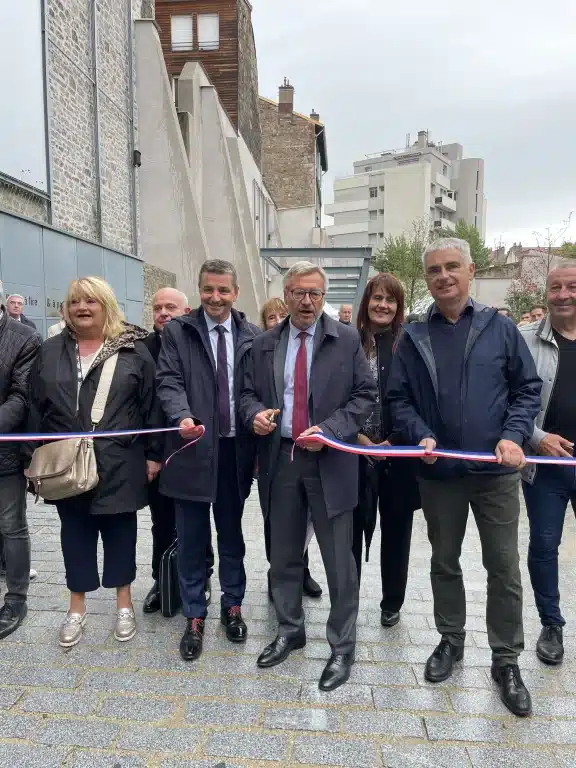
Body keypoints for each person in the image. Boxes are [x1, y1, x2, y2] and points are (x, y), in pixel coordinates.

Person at [387, 237, 542, 717]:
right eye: (434, 270)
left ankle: (506, 659)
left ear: (471, 270)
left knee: (503, 568)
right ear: (427, 278)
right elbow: (397, 400)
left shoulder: (500, 328)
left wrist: (515, 435)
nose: (444, 276)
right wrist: (420, 435)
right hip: (440, 475)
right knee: (445, 562)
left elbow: (527, 389)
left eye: (452, 266)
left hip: (495, 474)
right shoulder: (413, 337)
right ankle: (450, 641)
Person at [240, 261, 377, 692]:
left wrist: (333, 430)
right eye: (298, 292)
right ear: (285, 294)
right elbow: (244, 394)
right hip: (281, 458)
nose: (306, 301)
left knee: (339, 559)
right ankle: (289, 630)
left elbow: (365, 395)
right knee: (282, 553)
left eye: (314, 293)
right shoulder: (263, 344)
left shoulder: (347, 339)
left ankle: (341, 645)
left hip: (331, 459)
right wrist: (253, 415)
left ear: (324, 296)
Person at [27, 277, 162, 648]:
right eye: (74, 302)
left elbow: (151, 407)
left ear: (106, 305)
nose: (81, 308)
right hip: (67, 463)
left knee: (121, 532)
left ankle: (123, 604)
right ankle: (76, 608)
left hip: (120, 460)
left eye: (90, 301)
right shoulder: (51, 351)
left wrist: (153, 454)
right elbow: (35, 405)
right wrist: (33, 457)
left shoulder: (134, 351)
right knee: (75, 534)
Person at [156, 260, 259, 662]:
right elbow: (168, 380)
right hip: (192, 447)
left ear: (235, 293)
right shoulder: (179, 332)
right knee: (193, 538)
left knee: (232, 535)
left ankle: (233, 605)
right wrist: (181, 414)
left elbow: (256, 389)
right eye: (208, 290)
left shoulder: (252, 335)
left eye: (224, 290)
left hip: (235, 451)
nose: (216, 297)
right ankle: (194, 614)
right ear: (198, 290)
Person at [141, 287, 215, 613]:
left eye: (170, 306)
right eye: (157, 307)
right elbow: (145, 407)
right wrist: (151, 453)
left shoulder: (197, 344)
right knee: (162, 521)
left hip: (192, 450)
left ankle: (203, 575)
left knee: (198, 521)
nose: (163, 312)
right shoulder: (141, 349)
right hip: (158, 452)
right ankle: (161, 579)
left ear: (186, 309)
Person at [353, 273, 420, 627]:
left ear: (398, 307)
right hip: (354, 452)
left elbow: (417, 398)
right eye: (376, 298)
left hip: (398, 454)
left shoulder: (408, 344)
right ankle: (348, 598)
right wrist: (362, 441)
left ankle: (392, 601)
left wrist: (394, 440)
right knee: (351, 529)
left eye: (390, 300)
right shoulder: (350, 341)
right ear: (366, 302)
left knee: (397, 531)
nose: (382, 305)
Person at [520, 261, 576, 666]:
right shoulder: (525, 340)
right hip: (545, 465)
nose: (563, 295)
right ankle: (551, 623)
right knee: (544, 544)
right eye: (555, 287)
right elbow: (511, 401)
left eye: (571, 286)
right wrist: (538, 437)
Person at [259, 297, 322, 600]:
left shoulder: (317, 345)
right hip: (277, 448)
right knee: (280, 520)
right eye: (271, 317)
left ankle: (301, 571)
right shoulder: (263, 348)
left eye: (281, 315)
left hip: (315, 446)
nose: (277, 321)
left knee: (306, 518)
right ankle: (279, 574)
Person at [0, 291, 41, 638]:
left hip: (5, 454)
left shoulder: (24, 338)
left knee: (11, 525)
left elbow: (21, 397)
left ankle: (16, 599)